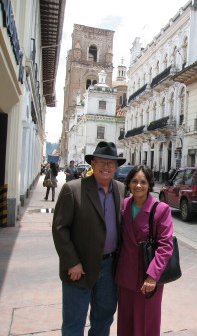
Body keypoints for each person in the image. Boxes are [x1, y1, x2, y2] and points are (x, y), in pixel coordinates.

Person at [52, 142, 126, 336]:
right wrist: (72, 262)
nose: (106, 167)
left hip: (109, 268)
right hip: (79, 268)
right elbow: (60, 229)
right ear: (93, 163)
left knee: (103, 320)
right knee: (74, 322)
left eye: (111, 163)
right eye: (101, 162)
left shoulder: (121, 190)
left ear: (116, 167)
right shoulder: (73, 189)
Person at [115, 165, 174, 336]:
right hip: (125, 276)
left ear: (149, 185)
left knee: (146, 324)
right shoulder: (123, 205)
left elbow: (165, 246)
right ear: (128, 184)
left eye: (143, 182)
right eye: (134, 181)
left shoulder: (161, 209)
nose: (138, 186)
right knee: (125, 323)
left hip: (148, 277)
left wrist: (152, 276)